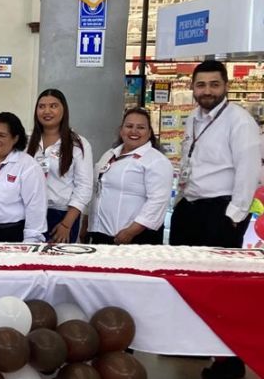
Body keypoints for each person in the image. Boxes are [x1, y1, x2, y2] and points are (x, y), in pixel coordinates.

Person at [168, 61, 259, 379]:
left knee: (219, 288)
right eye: (201, 85)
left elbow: (248, 170)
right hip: (190, 206)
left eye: (214, 84)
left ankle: (228, 361)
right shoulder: (193, 117)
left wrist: (234, 217)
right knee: (188, 281)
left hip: (219, 212)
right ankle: (199, 346)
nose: (207, 91)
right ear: (192, 87)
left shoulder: (239, 121)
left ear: (225, 86)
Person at [86, 108, 172, 245]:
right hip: (101, 234)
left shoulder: (157, 161)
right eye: (129, 126)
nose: (134, 131)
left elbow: (158, 201)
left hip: (133, 238)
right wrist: (87, 224)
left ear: (149, 133)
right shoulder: (109, 154)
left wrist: (130, 232)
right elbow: (96, 190)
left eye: (141, 127)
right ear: (121, 130)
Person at [26, 89, 94, 243]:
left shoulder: (78, 144)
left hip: (62, 216)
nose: (47, 111)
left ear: (64, 109)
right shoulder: (27, 140)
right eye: (41, 106)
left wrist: (66, 224)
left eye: (53, 106)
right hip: (29, 213)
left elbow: (84, 187)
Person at [0, 112, 47, 242]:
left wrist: (29, 243)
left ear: (15, 138)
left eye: (2, 135)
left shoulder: (28, 166)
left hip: (12, 234)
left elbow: (35, 208)